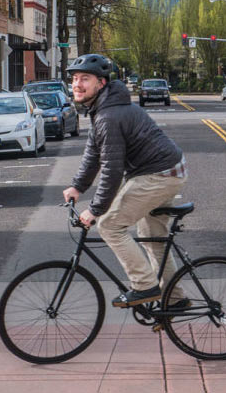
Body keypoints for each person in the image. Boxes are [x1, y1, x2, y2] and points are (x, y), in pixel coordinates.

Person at [62, 54, 187, 308]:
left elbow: (111, 170)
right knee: (152, 236)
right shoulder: (103, 111)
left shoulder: (109, 116)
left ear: (102, 83)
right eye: (75, 79)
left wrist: (96, 210)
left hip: (158, 174)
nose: (77, 84)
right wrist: (78, 186)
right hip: (167, 170)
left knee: (109, 225)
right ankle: (174, 300)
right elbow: (93, 155)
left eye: (85, 79)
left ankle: (144, 286)